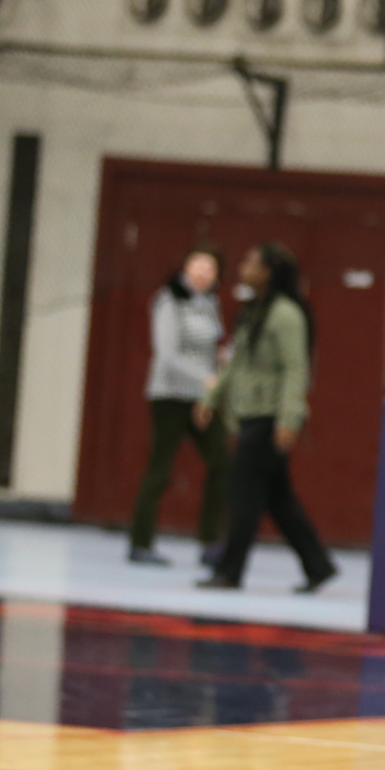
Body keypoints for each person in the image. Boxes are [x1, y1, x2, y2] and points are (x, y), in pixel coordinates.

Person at [195, 243, 338, 594]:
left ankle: (230, 570)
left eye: (251, 262)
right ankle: (317, 565)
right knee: (277, 497)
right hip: (249, 415)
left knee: (245, 495)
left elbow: (295, 370)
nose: (243, 267)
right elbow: (234, 361)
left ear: (268, 271)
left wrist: (289, 419)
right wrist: (210, 397)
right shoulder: (254, 310)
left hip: (268, 417)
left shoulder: (286, 315)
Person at [127, 249, 230, 567]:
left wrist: (224, 364)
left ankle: (210, 541)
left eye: (210, 267)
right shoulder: (168, 300)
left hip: (202, 397)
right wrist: (207, 378)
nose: (203, 272)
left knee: (223, 462)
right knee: (160, 467)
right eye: (197, 265)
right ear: (185, 268)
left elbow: (212, 345)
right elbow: (166, 354)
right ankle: (141, 543)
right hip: (170, 395)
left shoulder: (211, 303)